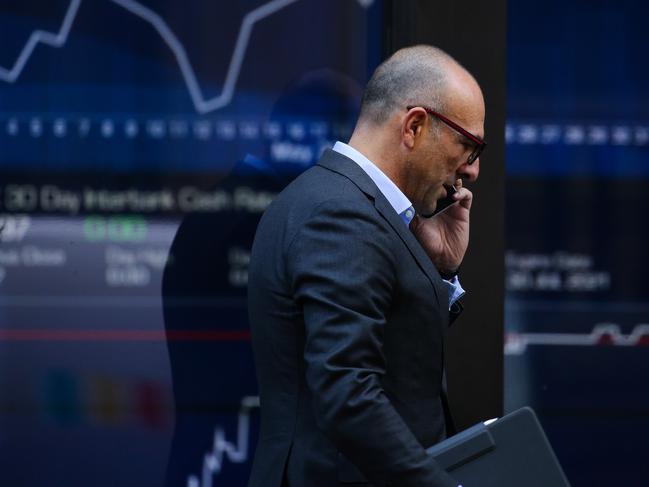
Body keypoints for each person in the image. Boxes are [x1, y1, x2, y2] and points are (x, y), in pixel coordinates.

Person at [247, 45, 485, 487]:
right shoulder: (341, 214)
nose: (471, 171)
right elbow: (349, 395)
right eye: (468, 146)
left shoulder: (347, 204)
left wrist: (442, 271)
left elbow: (395, 359)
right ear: (414, 125)